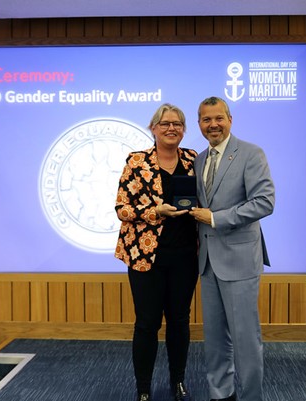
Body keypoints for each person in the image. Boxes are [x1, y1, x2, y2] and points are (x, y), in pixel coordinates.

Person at [189, 96, 275, 401]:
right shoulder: (199, 160)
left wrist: (216, 218)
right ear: (199, 124)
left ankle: (251, 396)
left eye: (218, 118)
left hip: (239, 260)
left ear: (230, 120)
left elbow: (264, 202)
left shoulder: (251, 153)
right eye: (206, 120)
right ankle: (221, 394)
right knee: (214, 337)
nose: (213, 125)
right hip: (207, 261)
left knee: (244, 338)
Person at [115, 103, 199, 401]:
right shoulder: (137, 161)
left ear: (184, 129)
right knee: (147, 324)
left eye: (177, 124)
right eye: (165, 123)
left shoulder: (193, 159)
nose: (171, 128)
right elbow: (122, 208)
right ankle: (143, 388)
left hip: (185, 256)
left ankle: (178, 381)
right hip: (145, 257)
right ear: (153, 128)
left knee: (179, 321)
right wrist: (155, 211)